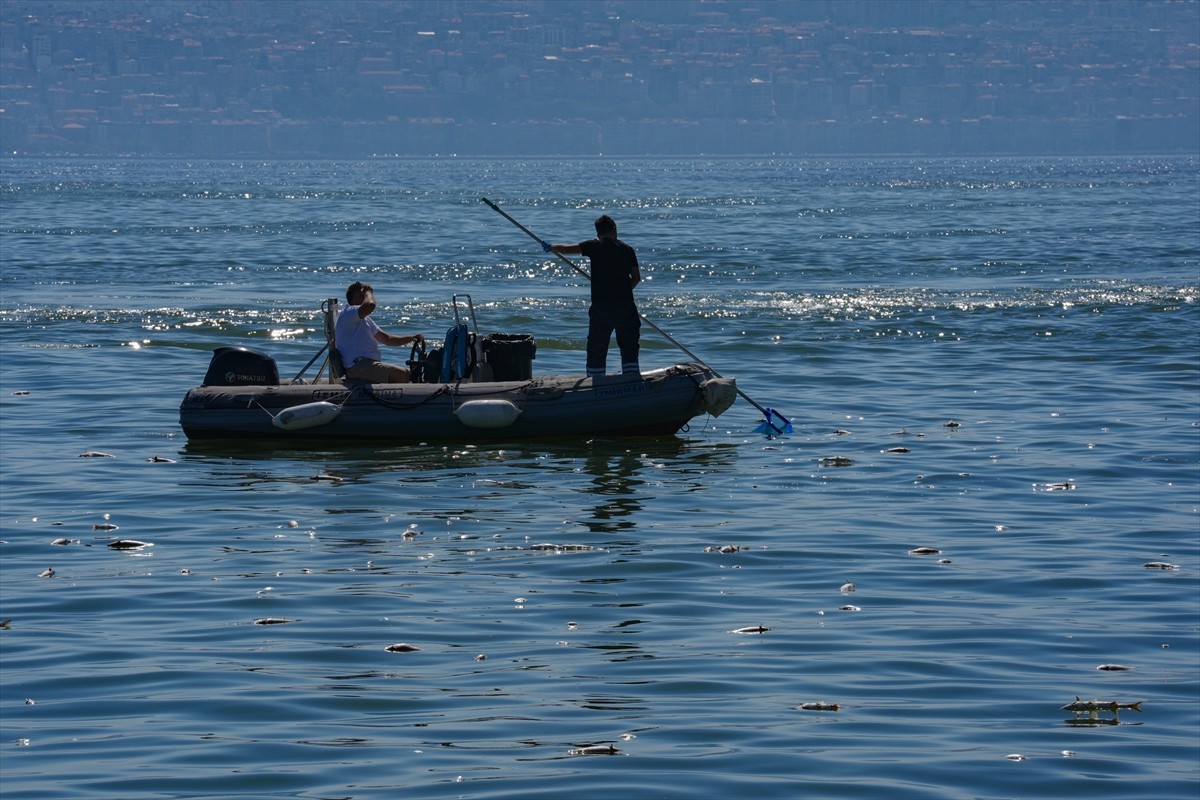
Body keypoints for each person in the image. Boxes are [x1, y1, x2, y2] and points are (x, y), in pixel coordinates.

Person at [544, 214, 641, 378]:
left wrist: (551, 246)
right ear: (614, 230)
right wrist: (623, 290)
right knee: (629, 346)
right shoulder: (627, 249)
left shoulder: (594, 246)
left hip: (602, 307)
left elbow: (568, 249)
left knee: (597, 346)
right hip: (626, 306)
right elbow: (637, 278)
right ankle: (632, 380)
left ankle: (595, 382)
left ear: (597, 233)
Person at [334, 281, 424, 383]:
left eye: (363, 296)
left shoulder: (365, 320)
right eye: (359, 296)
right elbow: (370, 305)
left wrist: (411, 338)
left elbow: (387, 339)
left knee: (409, 373)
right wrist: (368, 291)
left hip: (368, 364)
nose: (363, 298)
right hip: (357, 366)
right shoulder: (349, 313)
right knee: (401, 374)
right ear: (351, 300)